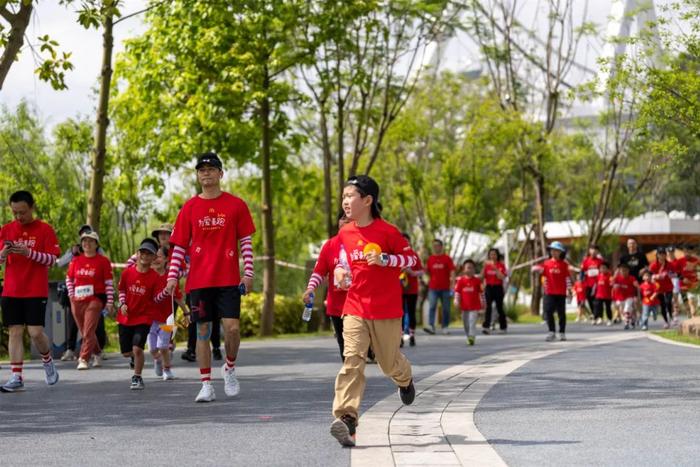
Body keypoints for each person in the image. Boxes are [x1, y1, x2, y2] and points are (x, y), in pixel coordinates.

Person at [330, 175, 417, 447]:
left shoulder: (389, 232)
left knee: (387, 363)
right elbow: (342, 259)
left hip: (386, 310)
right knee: (352, 360)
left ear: (367, 200)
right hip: (355, 306)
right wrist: (341, 270)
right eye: (343, 196)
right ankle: (347, 419)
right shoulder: (345, 233)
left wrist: (386, 259)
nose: (345, 201)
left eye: (350, 196)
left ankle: (404, 379)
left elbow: (413, 260)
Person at [166, 152, 256, 403]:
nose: (205, 173)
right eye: (201, 170)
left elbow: (245, 241)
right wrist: (172, 277)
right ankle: (206, 383)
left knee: (233, 329)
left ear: (220, 174)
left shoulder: (236, 205)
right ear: (197, 175)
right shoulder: (189, 207)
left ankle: (229, 366)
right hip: (199, 281)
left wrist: (248, 272)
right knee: (202, 331)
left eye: (210, 169)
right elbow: (179, 247)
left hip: (228, 279)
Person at [0, 191, 60, 392]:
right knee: (15, 331)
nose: (19, 217)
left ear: (32, 207)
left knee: (35, 333)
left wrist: (29, 253)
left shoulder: (45, 230)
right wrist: (3, 254)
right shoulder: (6, 230)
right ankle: (16, 376)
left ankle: (48, 360)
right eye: (15, 212)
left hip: (35, 289)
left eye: (23, 212)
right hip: (11, 290)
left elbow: (53, 260)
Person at [117, 238, 168, 390]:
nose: (145, 256)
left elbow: (156, 298)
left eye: (149, 254)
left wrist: (165, 292)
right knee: (127, 353)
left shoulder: (155, 277)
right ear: (137, 254)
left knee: (138, 349)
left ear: (154, 257)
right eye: (143, 252)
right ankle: (134, 358)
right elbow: (121, 290)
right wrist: (122, 303)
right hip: (126, 317)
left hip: (144, 318)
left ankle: (137, 377)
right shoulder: (127, 273)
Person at [303, 212, 350, 360]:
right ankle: (351, 377)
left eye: (349, 219)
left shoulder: (363, 244)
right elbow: (319, 272)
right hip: (336, 305)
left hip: (358, 304)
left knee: (356, 344)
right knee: (344, 345)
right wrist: (311, 288)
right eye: (343, 218)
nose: (345, 221)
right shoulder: (330, 245)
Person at [58, 224, 108, 361]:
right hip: (76, 293)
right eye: (82, 235)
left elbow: (104, 266)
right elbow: (60, 263)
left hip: (95, 294)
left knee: (95, 324)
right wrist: (72, 254)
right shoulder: (74, 249)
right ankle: (70, 349)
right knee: (74, 323)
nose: (85, 238)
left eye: (88, 234)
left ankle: (95, 351)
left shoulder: (99, 251)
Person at [65, 231, 114, 369]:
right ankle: (97, 353)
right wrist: (71, 294)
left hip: (95, 299)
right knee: (86, 331)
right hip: (77, 300)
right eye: (84, 241)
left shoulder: (103, 261)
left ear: (96, 244)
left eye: (91, 241)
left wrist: (109, 302)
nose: (87, 243)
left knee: (88, 330)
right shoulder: (76, 261)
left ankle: (84, 358)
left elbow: (109, 283)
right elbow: (69, 278)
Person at [150, 246, 187, 380]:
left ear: (166, 259)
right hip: (150, 320)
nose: (156, 259)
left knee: (163, 346)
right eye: (154, 256)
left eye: (159, 256)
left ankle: (167, 369)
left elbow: (177, 297)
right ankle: (158, 359)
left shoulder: (170, 278)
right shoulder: (148, 276)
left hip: (167, 319)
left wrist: (186, 313)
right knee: (152, 349)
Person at [533, 241, 574, 342]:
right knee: (548, 311)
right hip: (549, 292)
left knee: (561, 313)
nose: (554, 252)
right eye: (552, 250)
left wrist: (569, 290)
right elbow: (541, 272)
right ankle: (551, 332)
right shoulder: (546, 264)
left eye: (557, 251)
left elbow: (567, 278)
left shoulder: (564, 265)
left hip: (560, 293)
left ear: (561, 252)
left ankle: (562, 332)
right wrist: (536, 269)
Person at [425, 239, 456, 335]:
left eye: (437, 245)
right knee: (432, 306)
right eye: (434, 246)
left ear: (441, 247)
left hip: (445, 288)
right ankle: (431, 326)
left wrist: (453, 285)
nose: (435, 247)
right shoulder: (430, 259)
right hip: (433, 288)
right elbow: (426, 272)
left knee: (446, 308)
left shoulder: (447, 258)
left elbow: (452, 272)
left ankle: (445, 327)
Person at [454, 259, 484, 346]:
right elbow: (457, 292)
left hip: (474, 307)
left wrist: (483, 302)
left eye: (471, 268)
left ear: (474, 270)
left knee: (472, 322)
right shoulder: (460, 281)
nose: (469, 270)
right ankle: (469, 336)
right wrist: (456, 300)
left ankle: (471, 336)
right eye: (467, 268)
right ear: (464, 269)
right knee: (465, 323)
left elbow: (481, 293)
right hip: (464, 307)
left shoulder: (477, 281)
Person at [400, 233, 423, 347]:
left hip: (412, 289)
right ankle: (400, 337)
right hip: (399, 289)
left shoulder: (413, 255)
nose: (405, 243)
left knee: (412, 312)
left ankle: (412, 335)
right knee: (400, 313)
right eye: (402, 241)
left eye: (406, 241)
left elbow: (421, 271)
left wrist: (412, 273)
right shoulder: (395, 255)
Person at [481, 248, 507, 334]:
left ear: (497, 255)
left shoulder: (501, 265)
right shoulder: (486, 266)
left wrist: (495, 267)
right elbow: (482, 277)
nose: (492, 256)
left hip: (498, 287)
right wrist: (483, 267)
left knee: (499, 307)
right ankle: (486, 327)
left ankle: (503, 327)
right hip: (489, 287)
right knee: (488, 307)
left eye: (494, 254)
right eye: (491, 254)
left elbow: (502, 277)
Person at [649, 248, 674, 329]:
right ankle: (666, 321)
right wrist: (655, 276)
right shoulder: (653, 265)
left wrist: (668, 274)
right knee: (663, 305)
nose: (661, 256)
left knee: (668, 302)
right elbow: (649, 276)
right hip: (658, 288)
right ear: (657, 255)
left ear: (665, 255)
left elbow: (673, 274)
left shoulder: (669, 264)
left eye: (663, 254)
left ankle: (671, 316)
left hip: (668, 287)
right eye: (660, 254)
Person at [612, 263, 639, 330]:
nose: (623, 272)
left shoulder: (631, 278)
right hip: (619, 298)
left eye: (625, 270)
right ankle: (632, 319)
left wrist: (636, 295)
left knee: (626, 309)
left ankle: (626, 323)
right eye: (622, 270)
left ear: (628, 271)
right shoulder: (617, 278)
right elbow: (612, 284)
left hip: (629, 297)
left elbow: (637, 286)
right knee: (622, 311)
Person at [580, 244, 604, 316]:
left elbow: (603, 271)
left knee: (598, 300)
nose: (593, 251)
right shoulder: (586, 261)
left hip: (598, 284)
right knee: (589, 299)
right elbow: (582, 271)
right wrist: (581, 280)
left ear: (597, 251)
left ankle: (599, 315)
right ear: (589, 251)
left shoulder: (600, 261)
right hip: (588, 284)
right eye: (592, 249)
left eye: (595, 250)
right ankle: (594, 314)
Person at [677, 244, 698, 317]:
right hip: (683, 285)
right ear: (683, 251)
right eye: (685, 251)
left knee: (692, 301)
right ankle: (688, 311)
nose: (687, 253)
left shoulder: (696, 260)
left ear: (692, 252)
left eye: (689, 252)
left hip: (693, 285)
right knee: (685, 301)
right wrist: (682, 279)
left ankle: (693, 315)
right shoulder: (679, 261)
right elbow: (675, 273)